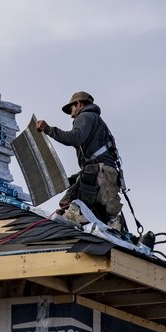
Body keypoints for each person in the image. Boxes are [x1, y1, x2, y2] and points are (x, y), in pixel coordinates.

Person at [35, 91, 126, 232]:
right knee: (69, 204)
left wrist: (48, 129)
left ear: (78, 104)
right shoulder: (96, 121)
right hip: (104, 173)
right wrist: (74, 177)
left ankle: (80, 217)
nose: (71, 114)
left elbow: (75, 137)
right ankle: (105, 222)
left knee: (73, 205)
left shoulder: (85, 116)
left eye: (71, 109)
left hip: (100, 173)